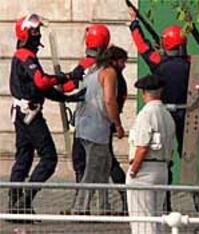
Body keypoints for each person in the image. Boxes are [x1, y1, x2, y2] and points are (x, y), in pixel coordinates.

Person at [8, 13, 80, 219]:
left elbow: (41, 88)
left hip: (23, 113)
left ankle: (16, 207)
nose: (38, 35)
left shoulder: (26, 55)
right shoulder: (24, 55)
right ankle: (23, 201)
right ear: (25, 34)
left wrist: (69, 97)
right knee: (49, 158)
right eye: (35, 31)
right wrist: (64, 76)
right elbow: (41, 81)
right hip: (29, 114)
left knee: (23, 159)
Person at [127, 8, 190, 211]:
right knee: (189, 158)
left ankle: (166, 203)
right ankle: (197, 194)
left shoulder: (159, 62)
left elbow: (142, 47)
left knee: (166, 159)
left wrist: (135, 24)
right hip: (187, 114)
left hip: (166, 114)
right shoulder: (190, 64)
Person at [68, 24, 128, 214]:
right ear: (116, 60)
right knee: (94, 170)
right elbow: (110, 100)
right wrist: (117, 125)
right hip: (97, 129)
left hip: (83, 126)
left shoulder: (92, 70)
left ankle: (104, 207)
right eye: (123, 62)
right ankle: (81, 208)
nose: (125, 66)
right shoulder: (109, 73)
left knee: (104, 167)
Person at [127, 74, 175, 234]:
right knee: (156, 216)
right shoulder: (167, 114)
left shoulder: (146, 114)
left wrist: (133, 170)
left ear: (144, 92)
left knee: (142, 218)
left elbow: (142, 146)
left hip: (144, 169)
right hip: (162, 168)